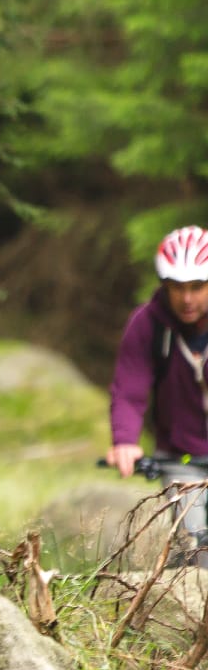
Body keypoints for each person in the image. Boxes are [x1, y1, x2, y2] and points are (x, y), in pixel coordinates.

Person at [106, 224, 208, 557]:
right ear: (164, 285)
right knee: (196, 547)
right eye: (177, 287)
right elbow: (129, 390)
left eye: (197, 286)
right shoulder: (148, 325)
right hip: (181, 459)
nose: (187, 298)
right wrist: (124, 441)